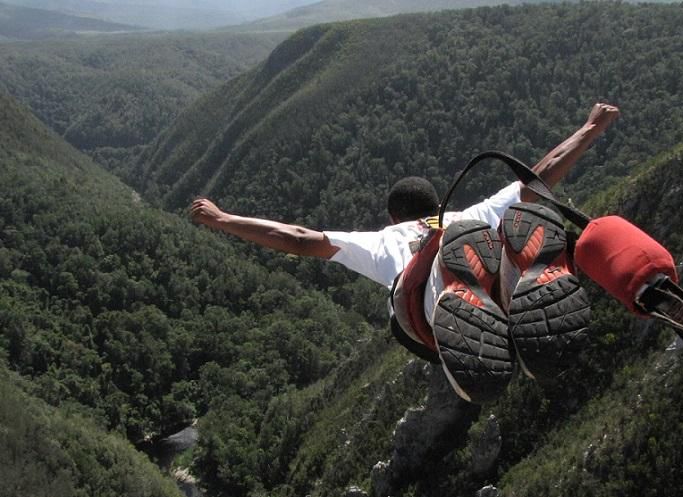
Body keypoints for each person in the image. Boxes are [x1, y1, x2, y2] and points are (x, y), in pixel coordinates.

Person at [191, 103, 620, 403]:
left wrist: (223, 219)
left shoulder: (384, 241)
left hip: (430, 313)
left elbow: (300, 238)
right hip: (478, 251)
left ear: (394, 215)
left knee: (415, 300)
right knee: (500, 233)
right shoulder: (468, 214)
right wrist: (590, 128)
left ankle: (456, 294)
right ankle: (518, 279)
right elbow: (539, 177)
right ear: (436, 207)